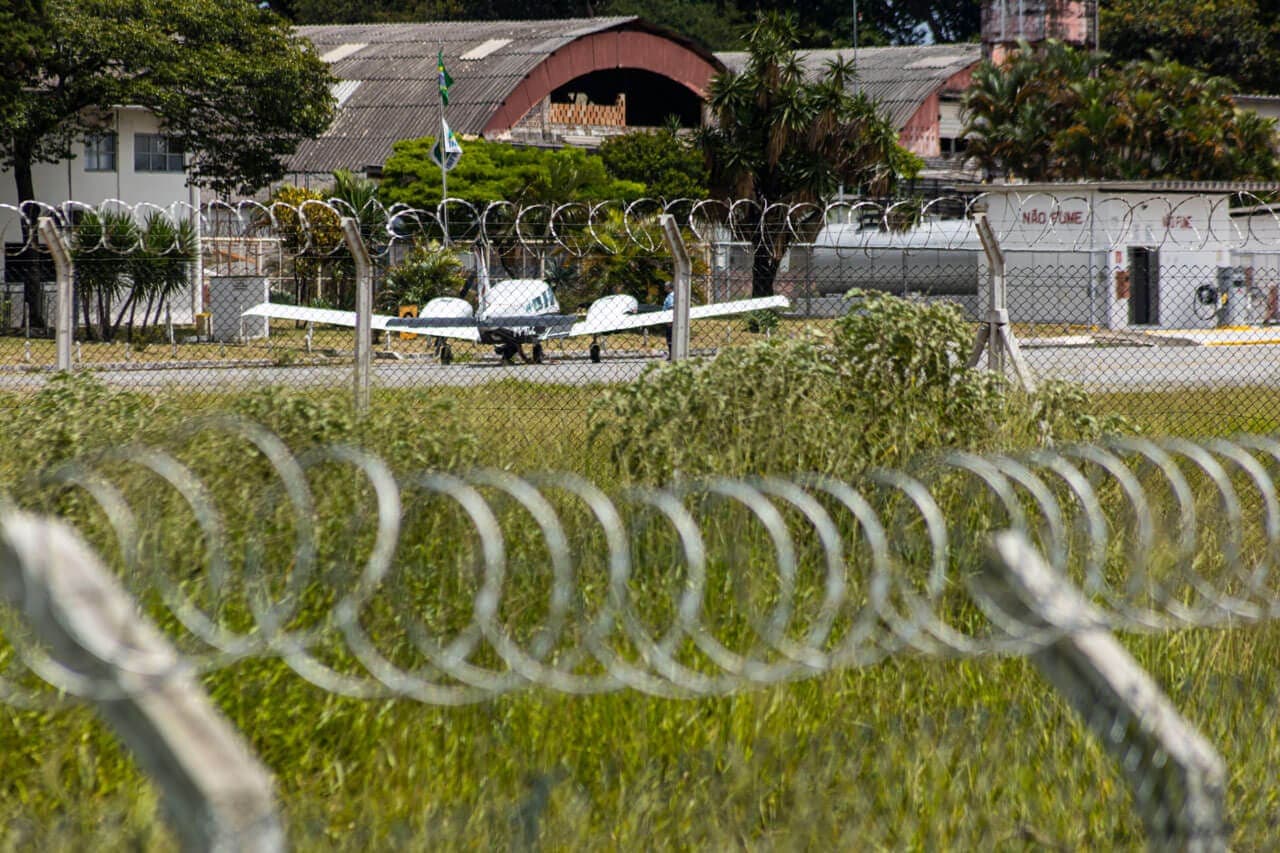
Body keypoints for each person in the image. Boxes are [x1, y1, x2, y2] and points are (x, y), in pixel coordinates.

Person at [662, 280, 674, 358]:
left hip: (670, 320)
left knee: (670, 338)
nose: (664, 288)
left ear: (669, 287)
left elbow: (671, 307)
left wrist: (669, 320)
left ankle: (671, 355)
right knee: (670, 338)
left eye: (665, 286)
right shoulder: (670, 295)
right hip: (668, 319)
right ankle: (671, 354)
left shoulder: (671, 296)